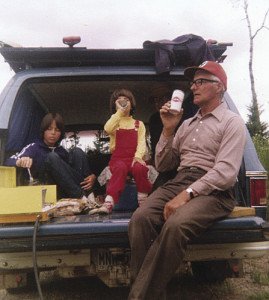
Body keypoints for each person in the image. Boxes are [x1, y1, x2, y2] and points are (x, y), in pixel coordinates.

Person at [128, 61, 247, 300]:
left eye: (201, 81)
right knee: (140, 218)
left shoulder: (232, 122)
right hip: (181, 179)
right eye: (193, 82)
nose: (194, 87)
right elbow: (164, 165)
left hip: (215, 191)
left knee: (175, 225)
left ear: (219, 87)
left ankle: (138, 297)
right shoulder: (185, 125)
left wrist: (186, 195)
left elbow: (225, 172)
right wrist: (169, 130)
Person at [5, 112, 96, 199]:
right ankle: (82, 197)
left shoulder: (62, 151)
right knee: (52, 157)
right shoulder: (33, 148)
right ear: (43, 130)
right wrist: (20, 161)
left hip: (66, 190)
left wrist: (91, 177)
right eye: (49, 129)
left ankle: (90, 195)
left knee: (77, 151)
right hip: (47, 191)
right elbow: (8, 161)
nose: (53, 133)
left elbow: (72, 173)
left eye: (57, 130)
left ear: (61, 133)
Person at [89, 88, 152, 214]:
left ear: (132, 103)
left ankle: (143, 202)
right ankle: (108, 204)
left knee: (140, 169)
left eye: (126, 100)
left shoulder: (139, 124)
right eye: (119, 101)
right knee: (120, 168)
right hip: (118, 159)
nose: (123, 102)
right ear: (114, 104)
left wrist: (138, 157)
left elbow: (141, 143)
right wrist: (119, 112)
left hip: (134, 158)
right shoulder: (115, 122)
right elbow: (107, 129)